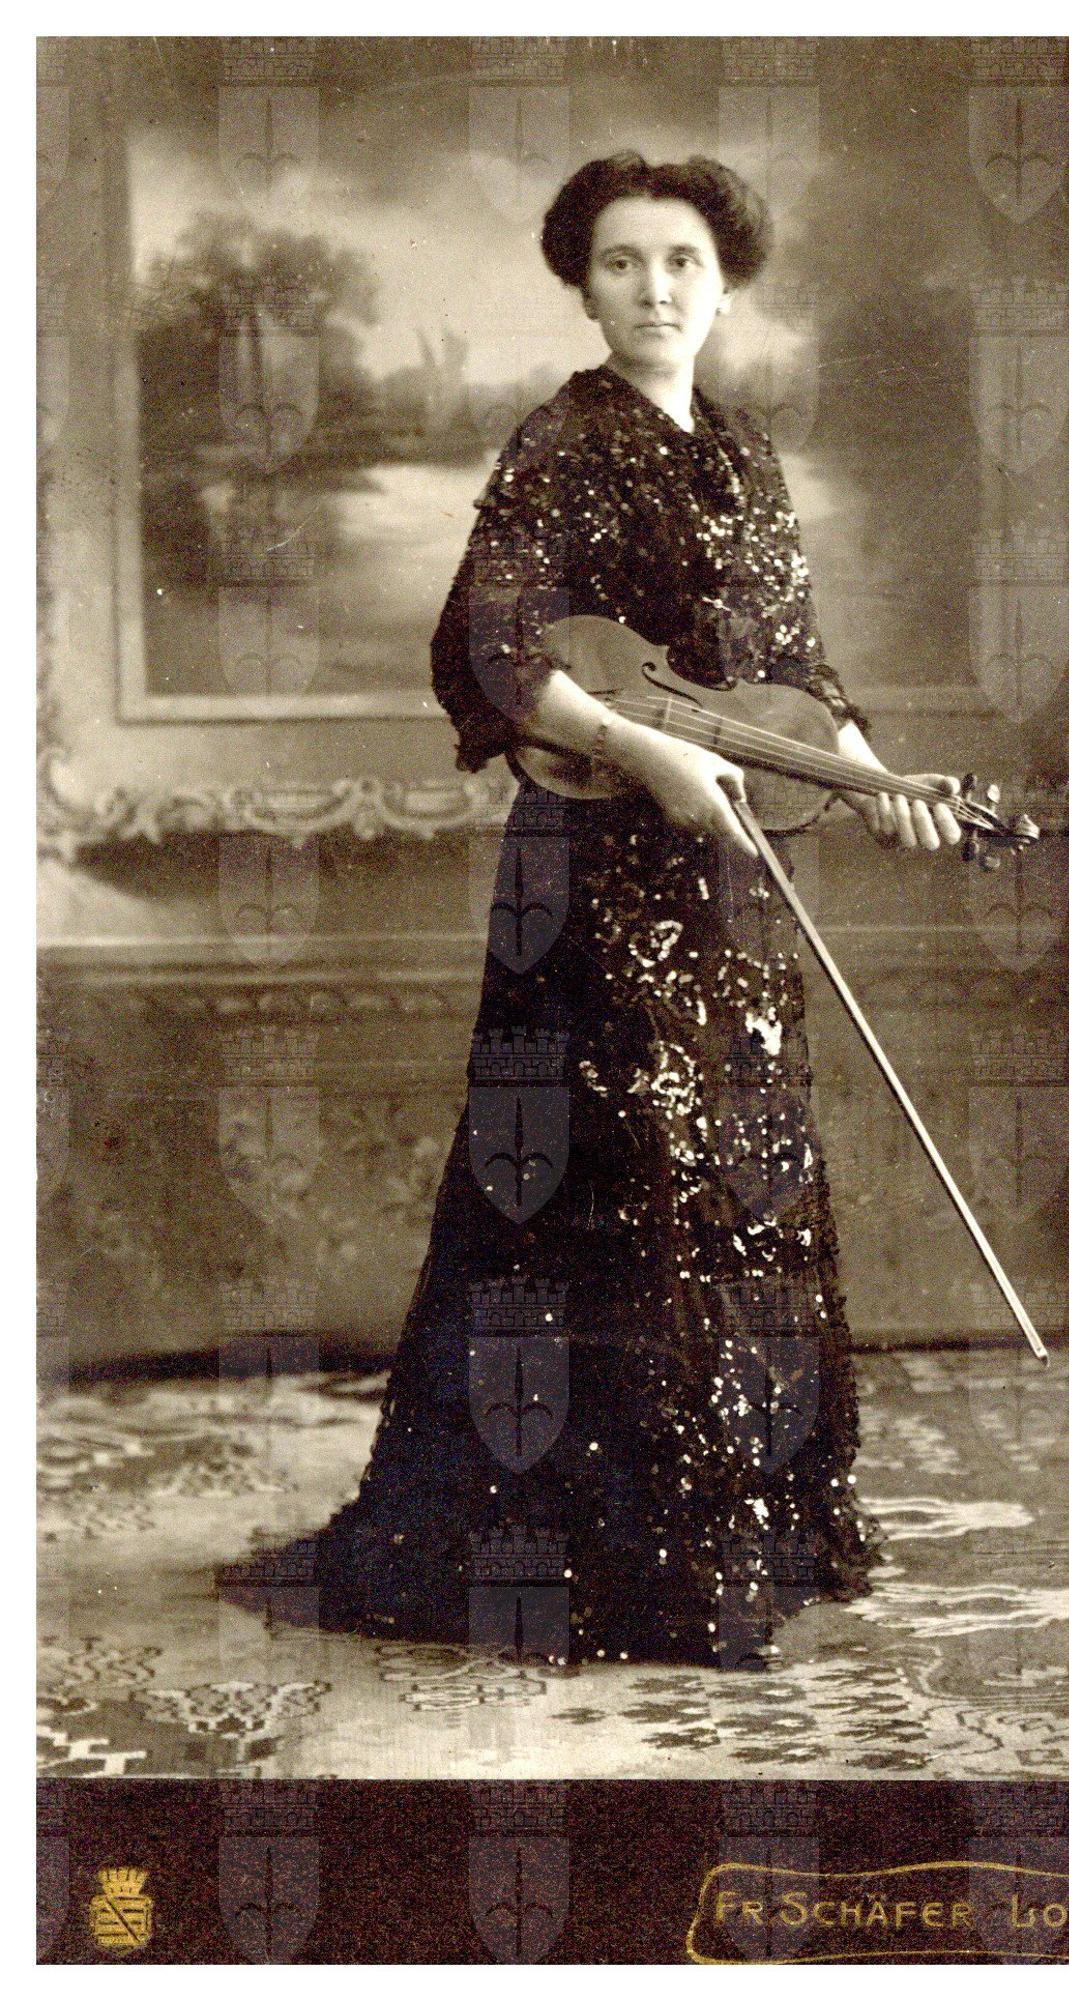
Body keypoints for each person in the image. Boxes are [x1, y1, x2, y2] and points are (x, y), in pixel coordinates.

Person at [224, 152, 962, 1670]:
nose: (654, 289)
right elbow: (492, 648)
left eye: (682, 261)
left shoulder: (746, 451)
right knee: (619, 1172)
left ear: (726, 283)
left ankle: (742, 1521)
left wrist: (876, 777)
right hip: (596, 871)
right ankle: (614, 1552)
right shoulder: (562, 438)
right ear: (584, 284)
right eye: (622, 262)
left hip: (733, 871)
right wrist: (652, 755)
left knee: (739, 1163)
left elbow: (796, 674)